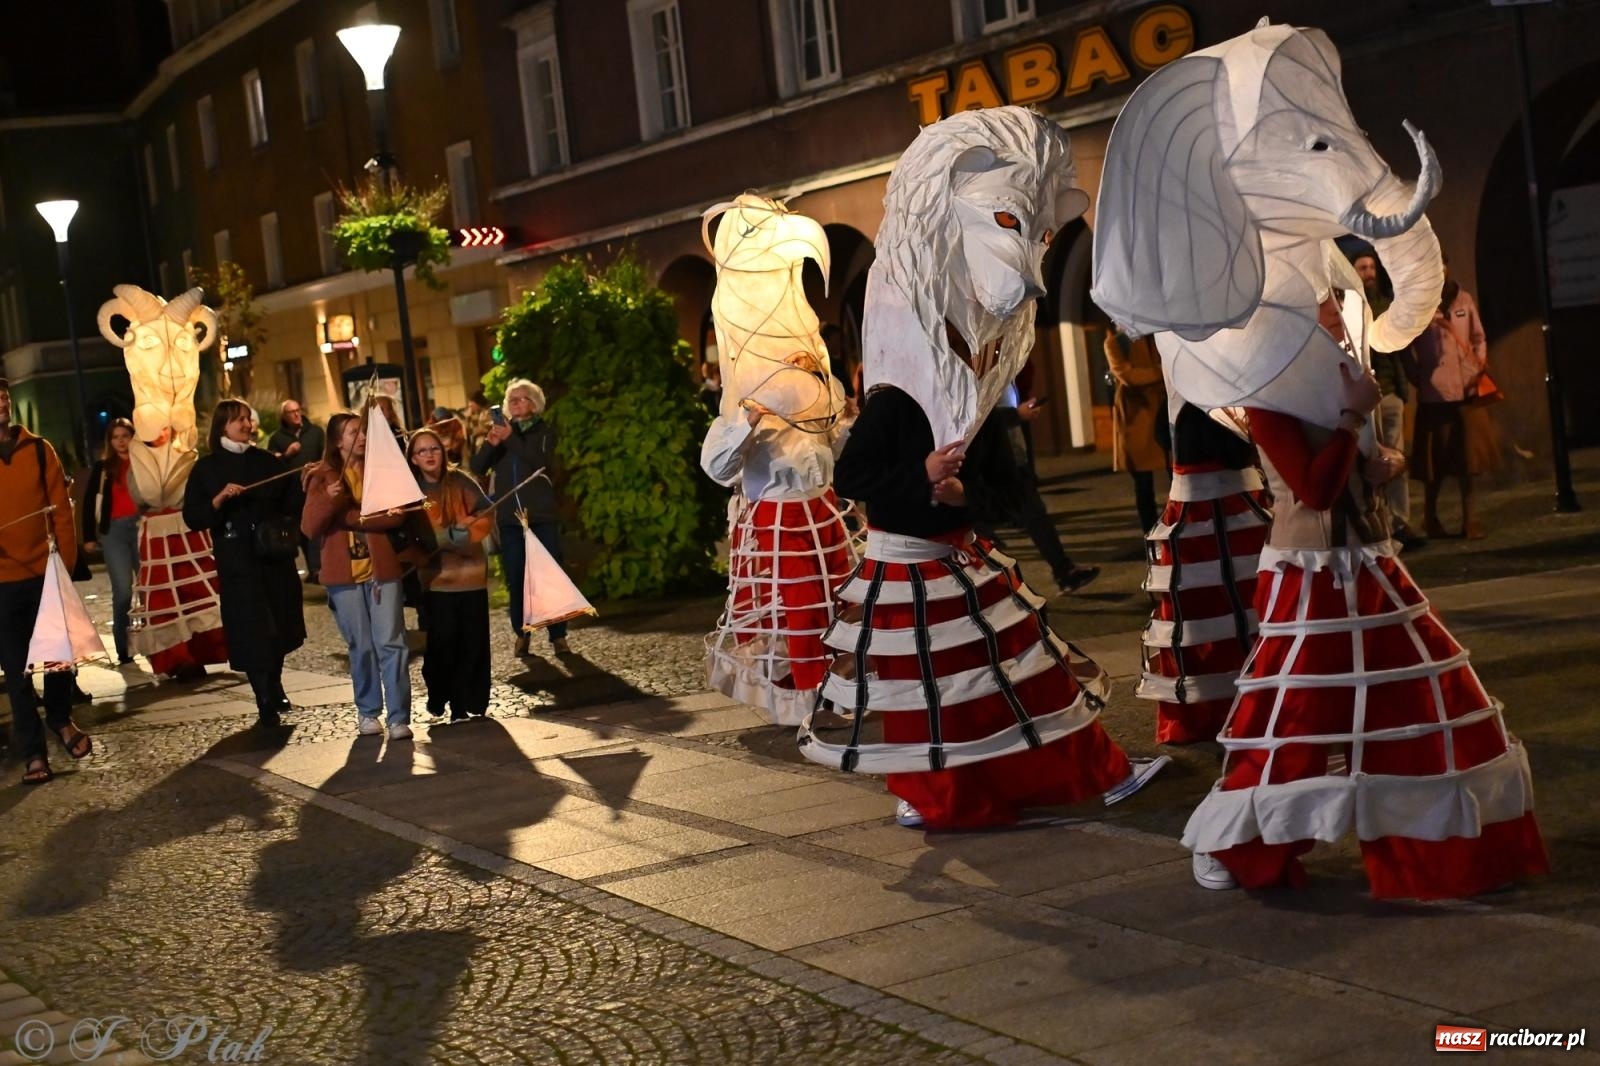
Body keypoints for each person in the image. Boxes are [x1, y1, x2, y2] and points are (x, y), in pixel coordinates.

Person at [1184, 312, 1548, 899]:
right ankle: (1232, 843)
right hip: (1310, 574)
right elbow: (1314, 488)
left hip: (1371, 561)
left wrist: (1384, 463)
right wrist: (1353, 416)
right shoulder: (1267, 395)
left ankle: (1449, 853)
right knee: (1298, 719)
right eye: (1322, 317)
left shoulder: (1337, 379)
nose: (1336, 326)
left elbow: (1352, 470)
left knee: (1427, 704)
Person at [701, 358, 856, 726]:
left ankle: (837, 690)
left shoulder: (815, 403)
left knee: (836, 602)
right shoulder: (745, 406)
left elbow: (829, 454)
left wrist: (845, 422)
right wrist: (749, 423)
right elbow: (718, 468)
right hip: (779, 519)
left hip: (821, 511)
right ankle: (804, 701)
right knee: (797, 610)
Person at [1136, 402, 1268, 744]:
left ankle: (1200, 710)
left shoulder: (1186, 407)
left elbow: (1163, 436)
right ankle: (1253, 699)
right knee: (1245, 602)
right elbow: (1239, 453)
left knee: (1195, 609)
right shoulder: (1224, 403)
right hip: (1234, 505)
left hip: (1189, 508)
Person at [182, 399, 307, 727]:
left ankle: (275, 681)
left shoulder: (266, 461)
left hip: (272, 557)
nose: (248, 426)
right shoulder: (207, 468)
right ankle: (263, 695)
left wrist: (306, 483)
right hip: (238, 561)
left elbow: (291, 501)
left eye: (248, 420)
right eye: (240, 421)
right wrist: (219, 500)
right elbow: (193, 516)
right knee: (251, 628)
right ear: (224, 425)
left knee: (278, 623)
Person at [0, 377, 91, 784]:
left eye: (3, 394)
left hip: (44, 575)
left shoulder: (39, 449)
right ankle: (34, 754)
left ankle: (60, 718)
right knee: (17, 675)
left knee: (59, 659)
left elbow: (61, 513)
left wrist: (65, 570)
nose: (1, 401)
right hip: (2, 584)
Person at [301, 411, 414, 740]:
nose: (362, 437)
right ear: (338, 441)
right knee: (361, 645)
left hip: (382, 570)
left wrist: (355, 517)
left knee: (392, 643)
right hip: (343, 575)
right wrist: (331, 499)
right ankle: (368, 712)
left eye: (363, 431)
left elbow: (397, 515)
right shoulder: (321, 477)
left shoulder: (381, 470)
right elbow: (310, 527)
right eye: (354, 433)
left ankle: (398, 717)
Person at [470, 378, 570, 657]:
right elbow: (477, 466)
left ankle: (558, 635)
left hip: (540, 515)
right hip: (511, 519)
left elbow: (541, 462)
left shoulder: (545, 431)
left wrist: (510, 439)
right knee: (516, 577)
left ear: (535, 403)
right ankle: (522, 633)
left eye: (522, 398)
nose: (516, 403)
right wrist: (491, 444)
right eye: (511, 399)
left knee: (549, 575)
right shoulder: (502, 433)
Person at [407, 427, 495, 721]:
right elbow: (407, 532)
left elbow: (485, 512)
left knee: (472, 643)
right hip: (436, 581)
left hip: (471, 578)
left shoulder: (460, 482)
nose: (429, 455)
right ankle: (439, 694)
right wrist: (431, 541)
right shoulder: (410, 492)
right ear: (414, 458)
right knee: (443, 643)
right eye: (422, 451)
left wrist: (467, 532)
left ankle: (464, 703)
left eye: (434, 448)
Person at [978, 382, 1099, 594]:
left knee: (1035, 516)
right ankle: (990, 590)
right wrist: (1016, 414)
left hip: (1010, 458)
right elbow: (979, 417)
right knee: (983, 529)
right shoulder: (978, 370)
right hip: (992, 464)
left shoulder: (1001, 368)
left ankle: (1064, 572)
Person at [1410, 257, 1494, 540]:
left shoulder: (1464, 300)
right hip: (1435, 395)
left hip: (1466, 392)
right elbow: (1404, 347)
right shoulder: (1419, 305)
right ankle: (1429, 517)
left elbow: (1479, 337)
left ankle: (1471, 519)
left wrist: (1478, 366)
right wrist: (1417, 376)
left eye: (1442, 267)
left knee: (1468, 461)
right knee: (1434, 462)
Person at [1350, 250, 1426, 551]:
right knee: (1370, 457)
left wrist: (1402, 388)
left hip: (1389, 391)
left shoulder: (1385, 305)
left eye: (1371, 267)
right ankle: (1378, 519)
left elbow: (1399, 350)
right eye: (1362, 267)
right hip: (1365, 396)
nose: (1368, 272)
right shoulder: (1349, 309)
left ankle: (1399, 520)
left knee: (1395, 456)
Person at [80, 417, 143, 664]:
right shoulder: (103, 468)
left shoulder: (142, 464)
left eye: (125, 436)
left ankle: (158, 644)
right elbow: (88, 503)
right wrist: (88, 536)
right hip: (114, 532)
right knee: (123, 590)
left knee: (149, 587)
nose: (120, 441)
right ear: (110, 441)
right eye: (115, 437)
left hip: (140, 525)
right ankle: (123, 648)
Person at [1104, 322, 1170, 535]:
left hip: (1163, 413)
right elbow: (1129, 376)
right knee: (1143, 485)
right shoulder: (1116, 341)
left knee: (1177, 477)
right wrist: (1161, 373)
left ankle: (1179, 527)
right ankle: (1150, 534)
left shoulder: (1156, 333)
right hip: (1136, 419)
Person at [267, 398, 326, 583]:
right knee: (300, 533)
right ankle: (312, 568)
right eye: (291, 412)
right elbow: (273, 467)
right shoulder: (277, 438)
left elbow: (325, 455)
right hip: (293, 494)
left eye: (298, 410)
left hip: (315, 489)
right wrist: (287, 455)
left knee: (317, 528)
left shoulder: (315, 432)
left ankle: (319, 568)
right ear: (284, 416)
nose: (296, 414)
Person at [463, 390, 493, 455]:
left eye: (471, 401)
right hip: (477, 448)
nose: (469, 404)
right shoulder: (472, 416)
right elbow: (468, 432)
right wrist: (467, 419)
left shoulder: (492, 411)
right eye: (469, 401)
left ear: (478, 402)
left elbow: (498, 427)